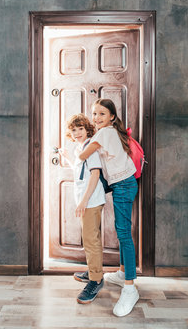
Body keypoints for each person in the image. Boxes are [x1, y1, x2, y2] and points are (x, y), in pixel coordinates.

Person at [78, 99, 139, 317]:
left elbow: (83, 154)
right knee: (121, 231)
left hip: (123, 185)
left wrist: (81, 141)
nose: (96, 118)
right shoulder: (110, 131)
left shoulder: (104, 133)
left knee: (123, 234)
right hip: (121, 183)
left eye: (102, 114)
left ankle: (130, 288)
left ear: (112, 116)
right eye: (94, 114)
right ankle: (123, 274)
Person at [59, 113, 105, 305]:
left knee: (90, 240)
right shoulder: (82, 148)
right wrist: (68, 158)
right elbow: (81, 173)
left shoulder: (91, 149)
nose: (77, 132)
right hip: (87, 201)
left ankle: (96, 280)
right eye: (74, 129)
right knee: (89, 238)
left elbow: (95, 175)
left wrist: (84, 201)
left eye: (81, 129)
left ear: (88, 130)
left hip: (91, 201)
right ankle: (93, 271)